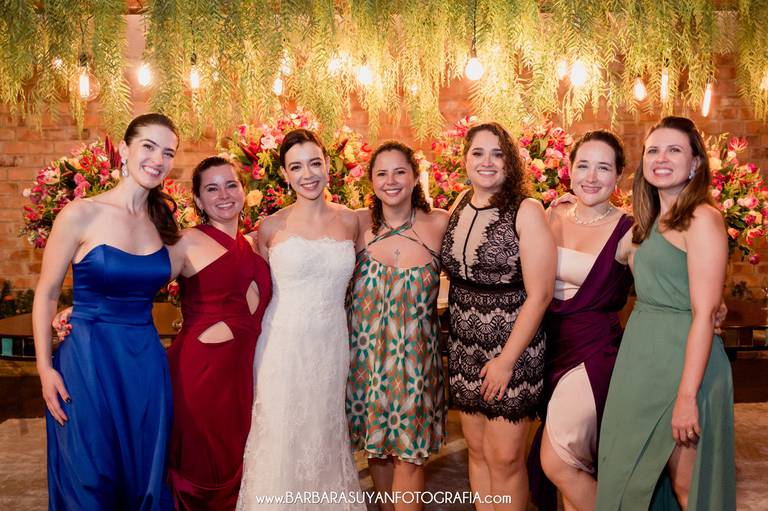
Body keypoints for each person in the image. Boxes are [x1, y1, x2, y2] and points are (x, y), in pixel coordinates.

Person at [33, 112, 180, 510]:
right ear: (125, 150)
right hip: (88, 362)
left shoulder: (163, 224)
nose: (158, 159)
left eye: (168, 153)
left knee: (144, 477)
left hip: (145, 365)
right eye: (149, 146)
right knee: (89, 477)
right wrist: (45, 369)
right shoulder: (81, 214)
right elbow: (46, 292)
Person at [596, 116, 736, 510]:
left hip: (683, 365)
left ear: (695, 163)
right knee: (625, 471)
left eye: (674, 150)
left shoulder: (702, 218)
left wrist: (687, 397)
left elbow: (705, 313)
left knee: (686, 487)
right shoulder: (647, 223)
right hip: (641, 361)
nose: (661, 158)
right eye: (653, 150)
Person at [237, 129, 364, 511]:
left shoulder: (352, 221)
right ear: (285, 175)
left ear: (327, 165)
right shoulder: (270, 227)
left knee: (323, 432)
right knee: (282, 437)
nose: (307, 174)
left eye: (314, 163)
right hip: (283, 346)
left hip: (331, 344)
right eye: (296, 167)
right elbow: (257, 288)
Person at [440, 122, 556, 511]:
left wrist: (506, 361)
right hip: (464, 346)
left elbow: (540, 295)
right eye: (478, 153)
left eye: (497, 153)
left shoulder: (527, 210)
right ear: (465, 160)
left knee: (505, 459)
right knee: (476, 451)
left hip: (513, 348)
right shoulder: (460, 201)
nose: (487, 162)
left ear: (511, 161)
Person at [528, 130, 633, 511]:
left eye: (603, 168)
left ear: (618, 175)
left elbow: (660, 283)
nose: (591, 177)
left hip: (594, 354)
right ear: (569, 170)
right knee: (575, 464)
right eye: (583, 165)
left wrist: (709, 304)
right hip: (549, 350)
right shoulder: (551, 214)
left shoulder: (630, 230)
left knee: (557, 461)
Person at [165, 156, 272, 509]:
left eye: (230, 185)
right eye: (211, 189)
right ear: (198, 199)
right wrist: (86, 307)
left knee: (241, 463)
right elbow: (135, 288)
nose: (223, 195)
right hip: (200, 375)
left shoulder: (255, 245)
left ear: (244, 190)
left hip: (243, 378)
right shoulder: (185, 242)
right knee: (202, 468)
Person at [346, 141, 448, 510]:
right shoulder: (356, 224)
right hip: (367, 363)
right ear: (371, 181)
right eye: (382, 173)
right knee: (377, 453)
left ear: (415, 177)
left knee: (410, 457)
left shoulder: (439, 223)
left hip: (416, 365)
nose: (391, 181)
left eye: (400, 172)